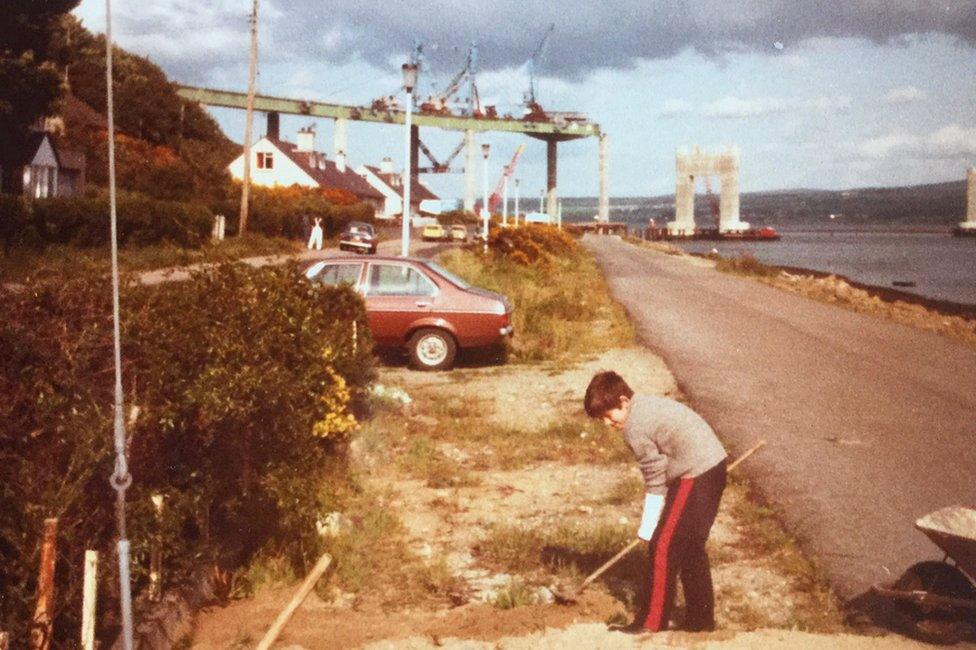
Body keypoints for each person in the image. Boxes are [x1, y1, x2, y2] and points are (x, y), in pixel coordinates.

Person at [584, 371, 727, 633]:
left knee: (663, 545)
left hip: (696, 472)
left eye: (608, 415)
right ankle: (700, 621)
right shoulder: (644, 406)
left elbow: (655, 477)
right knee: (690, 547)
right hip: (713, 465)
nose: (607, 423)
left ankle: (651, 623)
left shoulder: (634, 426)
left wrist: (648, 527)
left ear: (624, 401)